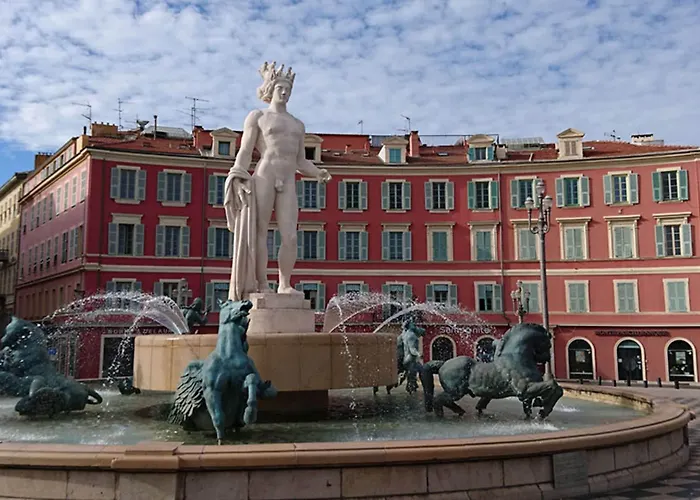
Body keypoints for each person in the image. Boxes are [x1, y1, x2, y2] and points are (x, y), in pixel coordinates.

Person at [224, 62, 331, 300]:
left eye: (288, 89)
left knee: (290, 235)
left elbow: (301, 161)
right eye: (280, 88)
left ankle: (284, 284)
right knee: (260, 232)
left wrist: (318, 173)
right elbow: (245, 150)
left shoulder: (298, 125)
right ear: (271, 89)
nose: (284, 92)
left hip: (288, 179)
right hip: (265, 174)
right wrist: (238, 174)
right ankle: (262, 283)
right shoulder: (258, 116)